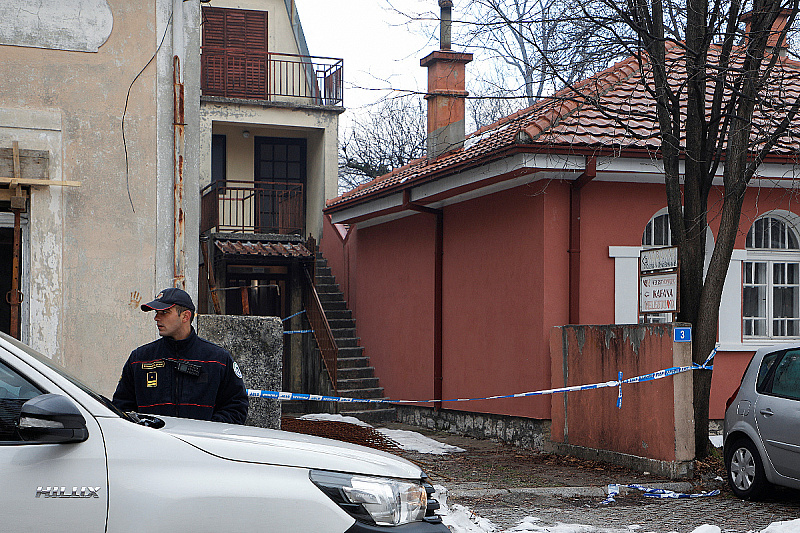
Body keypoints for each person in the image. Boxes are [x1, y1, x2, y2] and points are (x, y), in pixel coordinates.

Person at [112, 288, 249, 424]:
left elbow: (236, 407)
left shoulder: (217, 359)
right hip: (153, 443)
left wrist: (207, 431)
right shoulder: (139, 359)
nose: (156, 318)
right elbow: (122, 407)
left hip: (201, 444)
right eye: (156, 312)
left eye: (164, 312)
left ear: (185, 316)